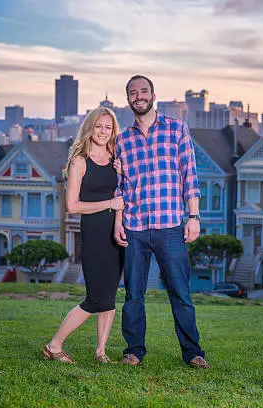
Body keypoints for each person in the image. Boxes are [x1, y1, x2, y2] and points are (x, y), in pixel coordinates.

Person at [113, 75, 210, 369]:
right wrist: (118, 221)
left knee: (180, 293)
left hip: (170, 225)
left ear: (153, 95)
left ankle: (193, 353)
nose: (138, 96)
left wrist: (193, 216)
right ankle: (134, 351)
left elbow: (189, 177)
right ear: (128, 99)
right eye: (133, 92)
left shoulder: (177, 129)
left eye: (143, 91)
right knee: (133, 296)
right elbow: (120, 187)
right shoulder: (122, 140)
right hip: (135, 228)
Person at [43, 107, 125, 364]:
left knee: (110, 297)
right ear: (90, 128)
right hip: (94, 233)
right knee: (95, 298)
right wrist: (109, 204)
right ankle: (53, 345)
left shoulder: (116, 157)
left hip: (116, 233)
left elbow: (123, 197)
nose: (103, 132)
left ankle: (101, 352)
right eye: (99, 126)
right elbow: (73, 206)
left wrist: (123, 177)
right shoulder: (79, 160)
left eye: (108, 127)